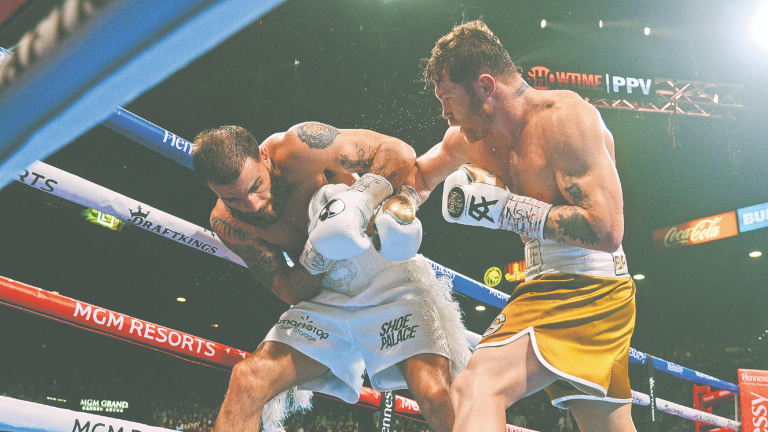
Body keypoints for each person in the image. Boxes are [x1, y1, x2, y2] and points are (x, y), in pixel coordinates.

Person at [407, 20, 637, 432]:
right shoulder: (470, 139)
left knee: (477, 387)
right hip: (542, 280)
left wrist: (504, 210)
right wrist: (369, 195)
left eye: (448, 99)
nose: (445, 114)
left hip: (590, 284)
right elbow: (419, 176)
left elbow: (606, 231)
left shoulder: (566, 120)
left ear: (484, 87)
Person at [192, 123, 471, 432]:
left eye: (255, 186)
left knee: (434, 392)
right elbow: (288, 289)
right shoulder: (227, 222)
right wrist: (319, 251)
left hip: (387, 276)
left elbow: (399, 153)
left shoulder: (300, 147)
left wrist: (357, 204)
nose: (252, 204)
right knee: (247, 380)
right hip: (324, 296)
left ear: (264, 156)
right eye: (234, 199)